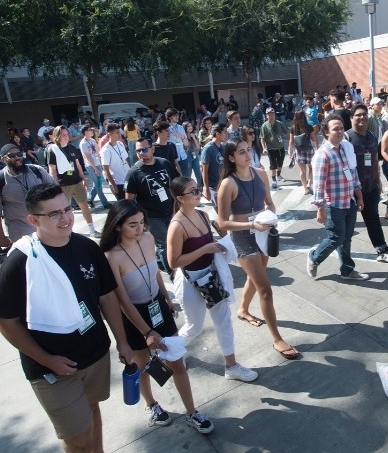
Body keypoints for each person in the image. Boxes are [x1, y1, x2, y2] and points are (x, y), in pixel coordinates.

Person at [0, 183, 134, 452]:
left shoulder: (86, 247)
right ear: (32, 220)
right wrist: (47, 359)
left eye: (66, 209)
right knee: (77, 438)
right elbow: (7, 322)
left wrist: (123, 341)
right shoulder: (19, 263)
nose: (65, 218)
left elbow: (106, 296)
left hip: (94, 354)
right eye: (54, 214)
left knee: (93, 413)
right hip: (51, 368)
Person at [100, 200, 214, 433]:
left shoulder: (148, 239)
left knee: (177, 362)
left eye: (142, 222)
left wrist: (166, 298)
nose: (139, 228)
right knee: (143, 365)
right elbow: (122, 300)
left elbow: (155, 274)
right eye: (132, 225)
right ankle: (151, 405)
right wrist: (146, 332)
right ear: (118, 226)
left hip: (159, 307)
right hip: (133, 317)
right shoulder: (111, 256)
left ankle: (192, 412)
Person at [167, 176, 259, 380]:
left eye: (198, 188)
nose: (198, 193)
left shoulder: (202, 215)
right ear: (180, 198)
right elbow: (174, 262)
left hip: (210, 277)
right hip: (190, 280)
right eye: (192, 191)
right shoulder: (176, 225)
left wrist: (219, 240)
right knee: (194, 326)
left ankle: (231, 366)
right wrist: (205, 249)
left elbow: (213, 241)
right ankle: (170, 353)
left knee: (224, 322)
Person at [216, 139, 299, 358]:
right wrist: (251, 224)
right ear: (231, 158)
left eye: (248, 150)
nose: (247, 155)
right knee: (265, 288)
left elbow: (269, 202)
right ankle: (277, 339)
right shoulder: (228, 184)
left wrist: (270, 215)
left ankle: (243, 310)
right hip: (243, 237)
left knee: (255, 277)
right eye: (241, 152)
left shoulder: (261, 174)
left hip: (263, 233)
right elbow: (222, 222)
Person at [306, 115, 370, 281]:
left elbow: (353, 174)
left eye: (341, 128)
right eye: (335, 129)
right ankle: (314, 257)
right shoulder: (323, 154)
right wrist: (320, 208)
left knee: (347, 238)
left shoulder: (345, 148)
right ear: (326, 132)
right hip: (332, 204)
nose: (340, 131)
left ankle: (347, 270)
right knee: (336, 237)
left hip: (349, 201)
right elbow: (318, 184)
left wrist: (359, 197)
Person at [345, 105, 388, 264]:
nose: (362, 118)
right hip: (352, 191)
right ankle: (342, 262)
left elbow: (374, 160)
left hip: (370, 188)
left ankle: (382, 251)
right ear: (351, 118)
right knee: (347, 228)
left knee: (373, 220)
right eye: (358, 115)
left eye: (364, 115)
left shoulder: (371, 136)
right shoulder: (347, 138)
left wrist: (378, 181)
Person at [124, 137, 178, 279]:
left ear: (152, 149)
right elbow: (129, 199)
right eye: (138, 151)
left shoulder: (164, 163)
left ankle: (160, 262)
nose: (142, 153)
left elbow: (176, 184)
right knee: (165, 243)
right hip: (151, 216)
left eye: (145, 149)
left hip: (170, 210)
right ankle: (174, 274)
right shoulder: (134, 173)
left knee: (173, 240)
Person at [47, 126, 101, 238]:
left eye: (67, 134)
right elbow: (52, 169)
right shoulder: (52, 150)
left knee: (84, 206)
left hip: (76, 182)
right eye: (63, 135)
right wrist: (56, 186)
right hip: (63, 184)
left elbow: (77, 165)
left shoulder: (72, 148)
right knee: (63, 210)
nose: (66, 137)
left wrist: (84, 179)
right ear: (57, 136)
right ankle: (67, 232)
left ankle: (92, 229)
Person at [0, 143, 55, 244]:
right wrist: (2, 238)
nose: (17, 157)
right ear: (3, 159)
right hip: (20, 230)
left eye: (19, 154)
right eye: (12, 156)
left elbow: (56, 193)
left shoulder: (37, 170)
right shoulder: (2, 179)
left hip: (45, 224)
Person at [79, 126, 111, 210]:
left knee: (97, 183)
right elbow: (87, 156)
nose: (91, 131)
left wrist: (101, 163)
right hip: (90, 166)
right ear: (85, 132)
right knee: (98, 184)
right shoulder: (83, 143)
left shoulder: (93, 140)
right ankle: (105, 203)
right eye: (89, 130)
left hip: (97, 164)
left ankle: (89, 199)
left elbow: (97, 152)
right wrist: (95, 168)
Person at [260, 107, 289, 190]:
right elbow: (262, 138)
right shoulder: (264, 126)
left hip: (280, 147)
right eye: (269, 114)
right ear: (266, 116)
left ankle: (278, 174)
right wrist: (264, 147)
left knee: (280, 162)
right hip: (271, 148)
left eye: (272, 114)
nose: (271, 115)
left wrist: (290, 141)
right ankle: (273, 181)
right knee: (273, 165)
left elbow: (287, 131)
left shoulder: (279, 123)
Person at [288, 110, 316, 195]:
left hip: (299, 151)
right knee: (311, 168)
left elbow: (291, 141)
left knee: (302, 171)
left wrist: (290, 150)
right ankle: (309, 184)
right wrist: (317, 148)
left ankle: (305, 188)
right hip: (309, 150)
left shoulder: (293, 128)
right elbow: (314, 139)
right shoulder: (309, 126)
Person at [100, 123, 130, 201]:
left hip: (127, 179)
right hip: (118, 182)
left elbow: (126, 160)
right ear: (109, 134)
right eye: (117, 132)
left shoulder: (120, 144)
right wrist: (114, 186)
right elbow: (106, 170)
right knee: (124, 207)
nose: (119, 134)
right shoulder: (105, 150)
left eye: (119, 132)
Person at [201, 123, 227, 211]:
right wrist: (206, 188)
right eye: (224, 132)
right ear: (217, 134)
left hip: (223, 183)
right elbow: (204, 171)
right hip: (213, 186)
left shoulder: (223, 146)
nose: (226, 134)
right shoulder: (208, 148)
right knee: (220, 211)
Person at [166, 108, 190, 177]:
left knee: (186, 179)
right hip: (173, 159)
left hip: (183, 157)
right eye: (175, 115)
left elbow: (186, 144)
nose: (177, 117)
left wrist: (182, 136)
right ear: (170, 117)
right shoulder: (166, 128)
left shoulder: (181, 127)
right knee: (177, 180)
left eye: (177, 115)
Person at [182, 121, 202, 189]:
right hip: (187, 157)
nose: (190, 127)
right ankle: (188, 188)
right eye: (188, 126)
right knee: (188, 174)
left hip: (195, 156)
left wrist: (193, 137)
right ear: (184, 127)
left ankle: (200, 186)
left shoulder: (194, 135)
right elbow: (185, 148)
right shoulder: (183, 136)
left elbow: (198, 147)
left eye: (191, 126)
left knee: (198, 173)